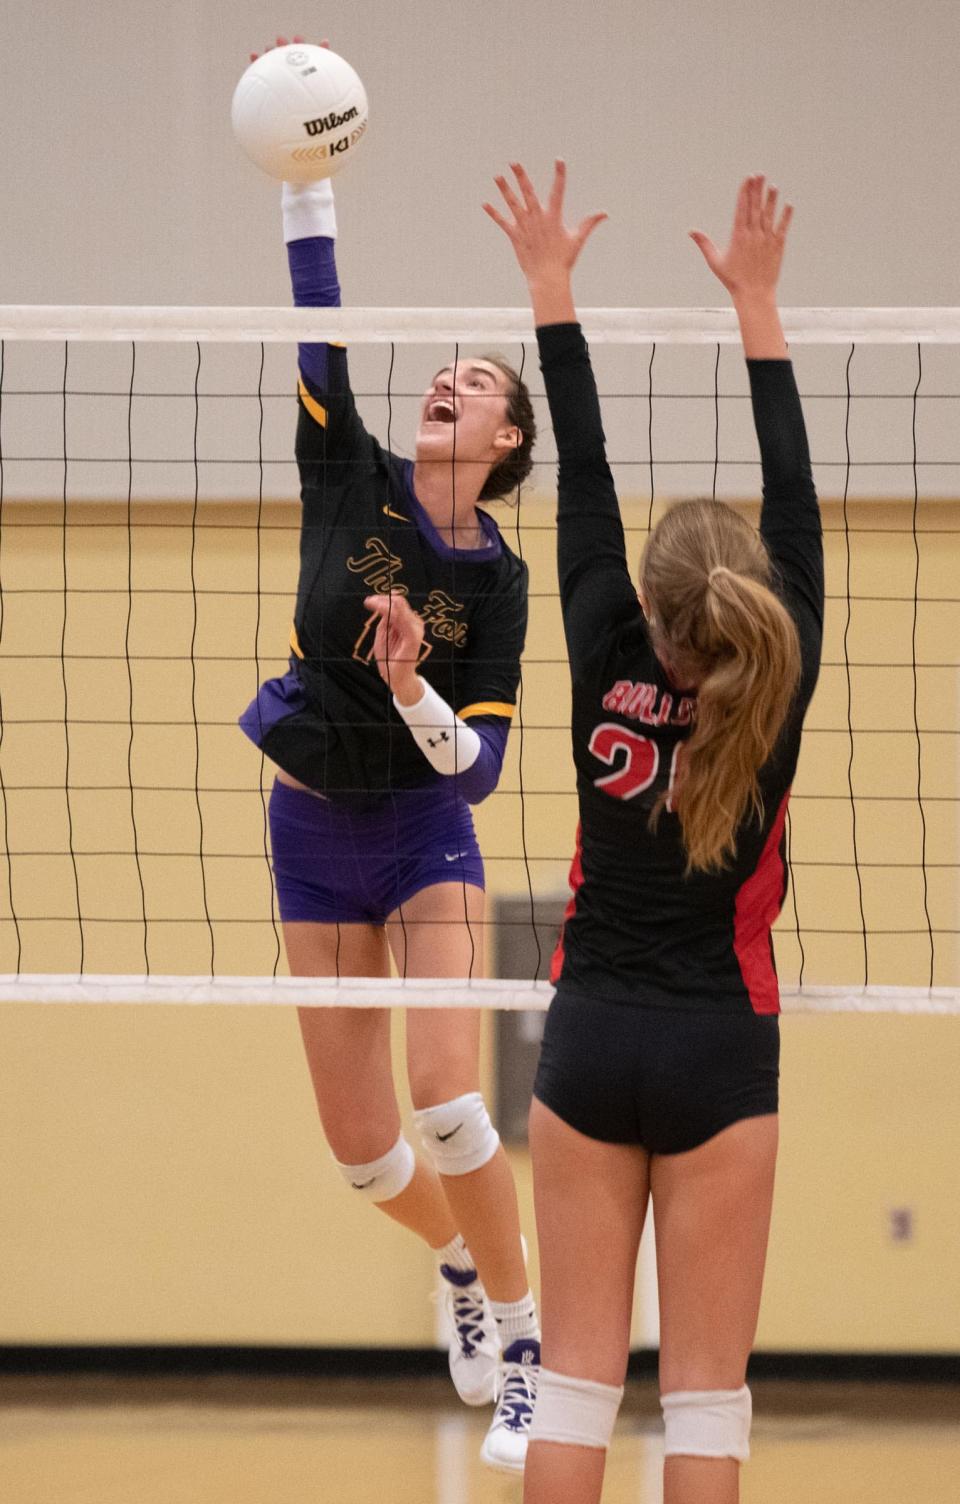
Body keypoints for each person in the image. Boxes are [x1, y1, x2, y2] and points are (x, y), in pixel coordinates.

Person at [486, 163, 823, 1504]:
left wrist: (551, 291)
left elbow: (584, 473)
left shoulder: (601, 647)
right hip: (719, 1052)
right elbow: (794, 493)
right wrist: (759, 303)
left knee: (573, 1387)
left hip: (590, 1033)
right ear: (753, 605)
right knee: (706, 1409)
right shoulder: (779, 686)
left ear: (647, 603)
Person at [238, 38, 540, 1472]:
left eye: (477, 381)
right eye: (447, 370)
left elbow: (475, 774)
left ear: (508, 437)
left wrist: (421, 688)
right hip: (311, 826)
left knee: (455, 1095)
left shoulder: (498, 582)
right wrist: (306, 179)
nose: (450, 382)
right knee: (365, 1157)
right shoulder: (342, 471)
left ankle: (532, 1341)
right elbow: (322, 320)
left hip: (424, 835)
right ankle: (464, 1273)